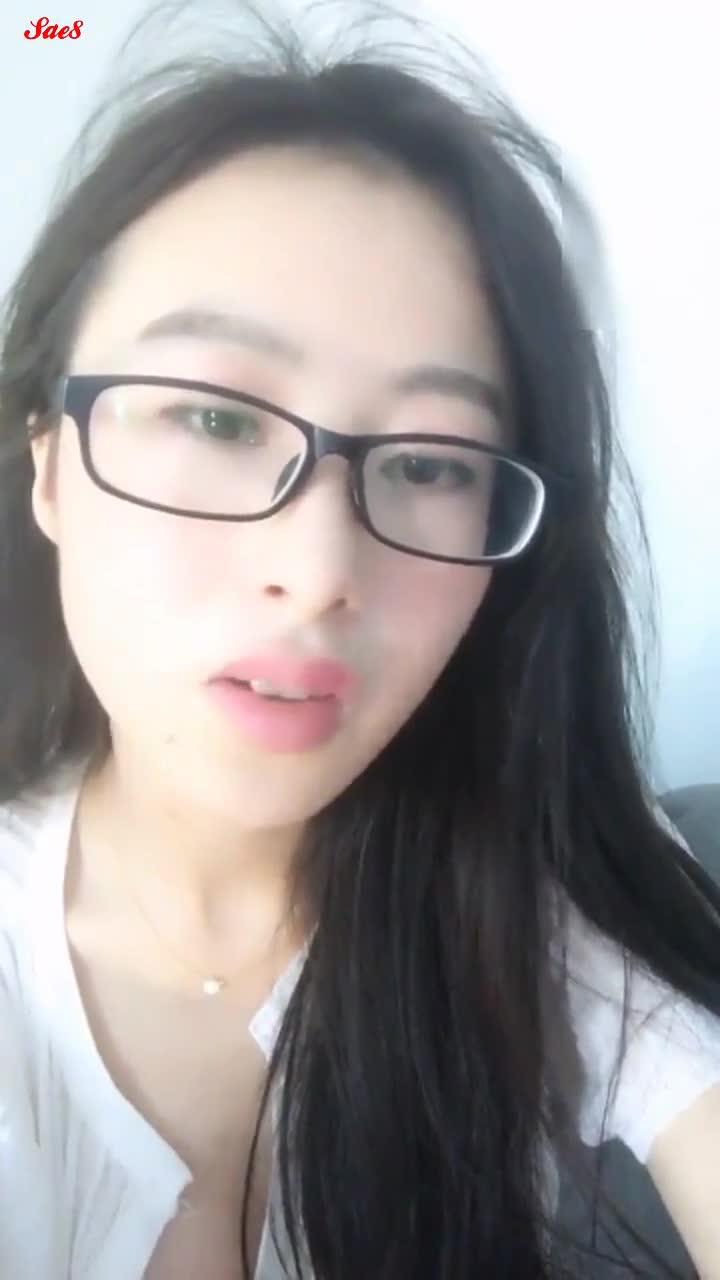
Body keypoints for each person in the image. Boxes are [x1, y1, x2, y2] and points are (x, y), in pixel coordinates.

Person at [1, 3, 719, 1278]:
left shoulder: (531, 885)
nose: (323, 570)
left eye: (432, 462)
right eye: (217, 420)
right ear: (49, 467)